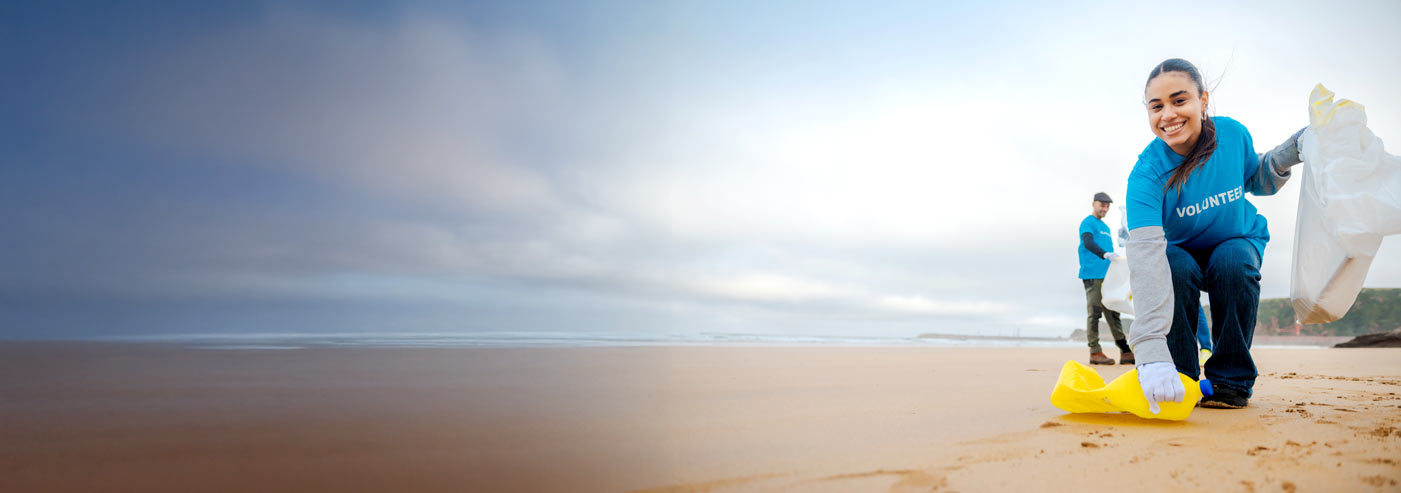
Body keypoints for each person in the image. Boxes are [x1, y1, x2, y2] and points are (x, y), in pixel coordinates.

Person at [1124, 58, 1304, 411]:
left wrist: (1293, 150)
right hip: (1181, 254)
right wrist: (1149, 352)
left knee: (1233, 262)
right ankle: (1179, 376)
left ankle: (1229, 381)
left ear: (1203, 101)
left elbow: (1256, 179)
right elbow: (1145, 259)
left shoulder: (1232, 135)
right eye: (1156, 106)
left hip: (1235, 239)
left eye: (1180, 100)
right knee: (1170, 266)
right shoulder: (1145, 175)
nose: (1168, 115)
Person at [1078, 192, 1133, 365]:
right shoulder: (1088, 222)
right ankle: (1095, 352)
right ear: (1094, 203)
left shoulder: (1107, 228)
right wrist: (1104, 254)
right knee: (1094, 312)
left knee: (1113, 311)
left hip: (1107, 276)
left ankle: (1125, 351)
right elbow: (1087, 242)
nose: (1105, 208)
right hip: (1092, 274)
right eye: (1102, 205)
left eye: (1107, 206)